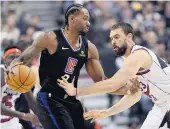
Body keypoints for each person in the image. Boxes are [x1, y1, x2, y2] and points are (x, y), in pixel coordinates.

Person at [9, 4, 139, 129]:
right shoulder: (50, 38)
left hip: (71, 100)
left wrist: (125, 90)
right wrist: (13, 65)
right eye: (85, 18)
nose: (88, 22)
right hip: (49, 99)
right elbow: (22, 58)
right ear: (72, 19)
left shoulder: (90, 49)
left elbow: (102, 82)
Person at [58, 22, 170, 129]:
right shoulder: (131, 63)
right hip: (161, 105)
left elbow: (112, 84)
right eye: (111, 38)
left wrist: (76, 91)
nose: (113, 42)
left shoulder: (138, 55)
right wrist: (107, 112)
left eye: (117, 37)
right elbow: (134, 95)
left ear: (129, 37)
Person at [0, 45, 40, 129]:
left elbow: (32, 103)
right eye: (11, 57)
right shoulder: (1, 71)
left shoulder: (21, 76)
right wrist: (23, 115)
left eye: (17, 58)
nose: (14, 60)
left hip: (11, 123)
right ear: (5, 60)